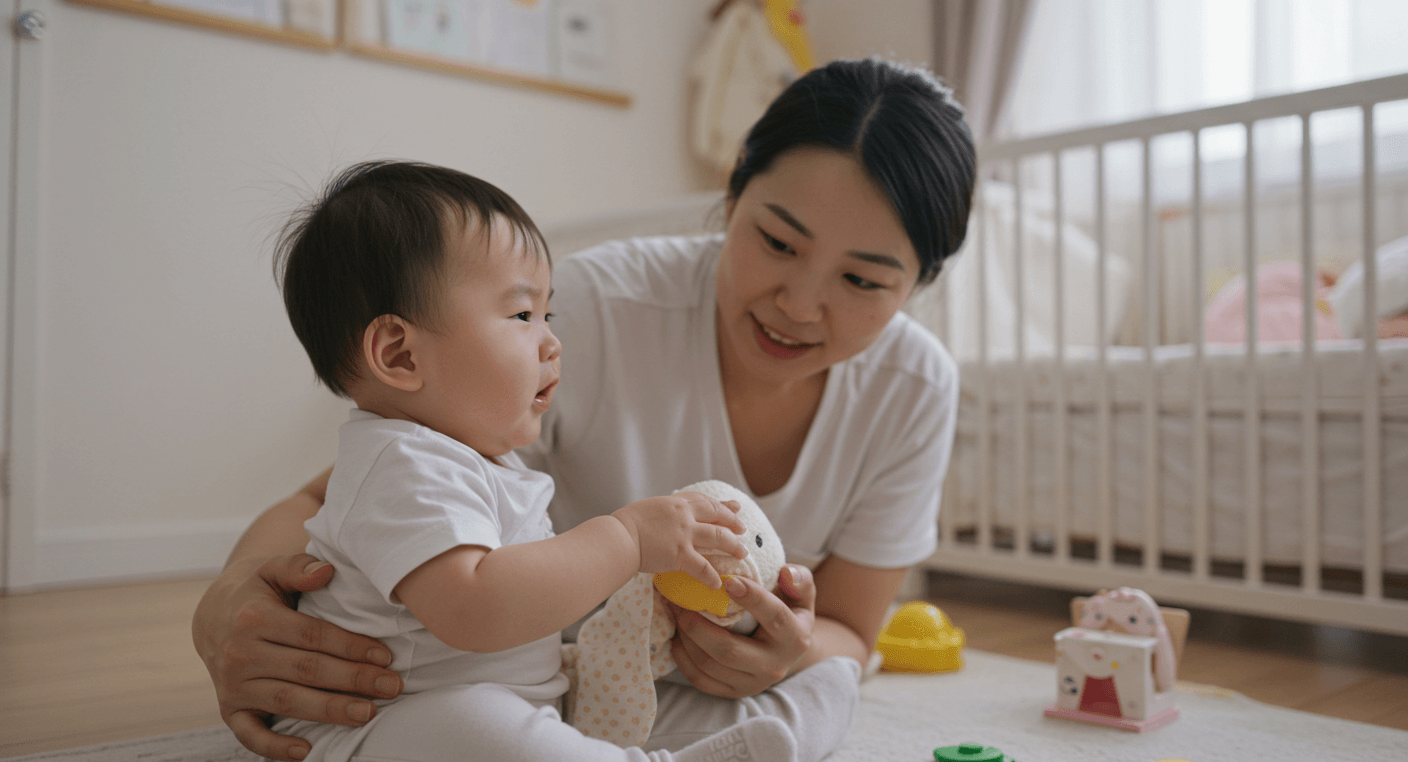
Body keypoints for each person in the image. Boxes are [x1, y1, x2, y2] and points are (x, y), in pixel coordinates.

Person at [193, 57, 976, 762]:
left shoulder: (914, 387)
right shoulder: (592, 311)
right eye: (777, 242)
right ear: (734, 191)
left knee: (831, 681)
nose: (800, 304)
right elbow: (336, 498)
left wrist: (789, 651)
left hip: (603, 675)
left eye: (864, 282)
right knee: (475, 727)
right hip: (465, 692)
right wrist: (228, 607)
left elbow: (850, 630)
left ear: (918, 285)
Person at [259, 159, 807, 762]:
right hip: (383, 728)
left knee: (649, 693)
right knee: (474, 723)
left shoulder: (480, 460)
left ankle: (794, 718)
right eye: (522, 316)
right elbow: (474, 610)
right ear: (401, 354)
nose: (551, 341)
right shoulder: (401, 464)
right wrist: (624, 539)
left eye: (549, 315)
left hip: (523, 702)